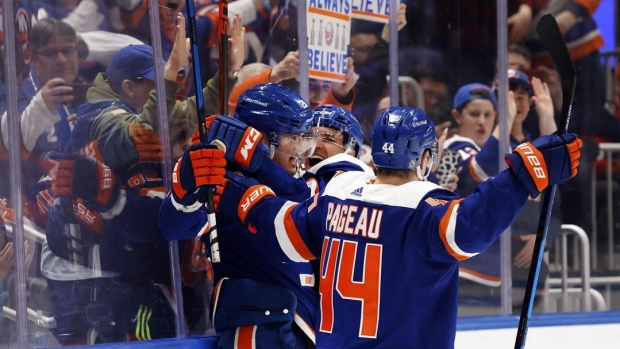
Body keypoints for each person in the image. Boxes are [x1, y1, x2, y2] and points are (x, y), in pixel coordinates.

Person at [212, 106, 582, 348]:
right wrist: (525, 173)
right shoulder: (424, 208)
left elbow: (281, 224)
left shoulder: (337, 194)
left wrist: (240, 179)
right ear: (423, 158)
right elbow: (472, 223)